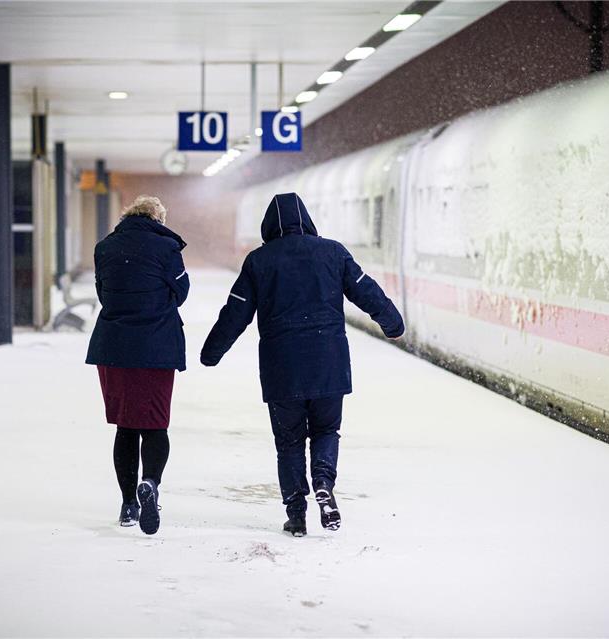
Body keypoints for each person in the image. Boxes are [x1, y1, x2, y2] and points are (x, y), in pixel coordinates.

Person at [200, 192, 404, 537]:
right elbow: (366, 291)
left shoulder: (259, 262)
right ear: (307, 220)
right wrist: (392, 324)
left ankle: (296, 514)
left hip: (283, 366)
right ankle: (324, 481)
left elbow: (235, 313)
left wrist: (212, 352)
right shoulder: (333, 253)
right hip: (328, 361)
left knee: (289, 441)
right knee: (326, 430)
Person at [85, 195, 189, 534]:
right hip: (156, 347)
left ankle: (129, 503)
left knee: (126, 426)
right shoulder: (167, 249)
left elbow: (104, 292)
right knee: (155, 425)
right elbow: (182, 291)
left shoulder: (105, 248)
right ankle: (151, 483)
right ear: (158, 218)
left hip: (114, 347)